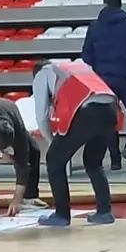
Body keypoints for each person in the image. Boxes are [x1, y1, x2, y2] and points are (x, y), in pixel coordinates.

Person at [31, 59, 118, 227]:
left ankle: (62, 215)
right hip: (111, 110)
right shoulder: (80, 66)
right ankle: (104, 212)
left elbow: (41, 116)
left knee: (54, 161)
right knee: (93, 162)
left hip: (87, 111)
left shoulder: (42, 74)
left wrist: (52, 142)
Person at [81, 0, 126, 171]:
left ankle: (115, 158)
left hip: (103, 79)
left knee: (108, 118)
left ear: (104, 3)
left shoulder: (95, 27)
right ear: (120, 3)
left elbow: (86, 56)